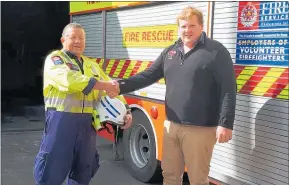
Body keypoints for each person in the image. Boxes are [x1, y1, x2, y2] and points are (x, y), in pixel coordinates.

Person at [107, 6, 237, 185]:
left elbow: (228, 89)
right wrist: (120, 86)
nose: (187, 30)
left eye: (192, 26)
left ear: (201, 26)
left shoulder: (216, 52)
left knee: (197, 179)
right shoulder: (171, 52)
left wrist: (225, 124)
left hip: (200, 129)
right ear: (178, 28)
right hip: (172, 126)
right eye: (183, 26)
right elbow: (149, 75)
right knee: (170, 176)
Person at [33, 23, 132, 185]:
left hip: (87, 125)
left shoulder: (91, 65)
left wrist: (126, 110)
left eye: (81, 38)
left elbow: (111, 88)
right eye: (73, 37)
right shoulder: (56, 59)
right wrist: (102, 85)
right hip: (61, 123)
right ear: (63, 40)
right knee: (51, 171)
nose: (77, 41)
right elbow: (69, 80)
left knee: (83, 170)